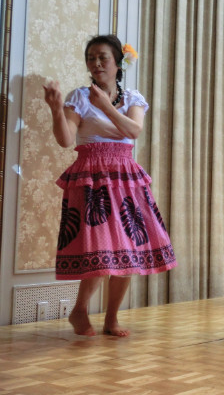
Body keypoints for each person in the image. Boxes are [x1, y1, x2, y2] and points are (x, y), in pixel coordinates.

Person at [42, 35, 177, 337]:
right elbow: (65, 139)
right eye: (91, 58)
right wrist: (54, 109)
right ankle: (79, 310)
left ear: (118, 63)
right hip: (91, 176)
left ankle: (111, 318)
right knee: (101, 251)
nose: (96, 63)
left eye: (103, 57)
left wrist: (105, 104)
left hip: (125, 177)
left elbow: (134, 130)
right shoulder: (78, 96)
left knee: (128, 251)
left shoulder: (133, 98)